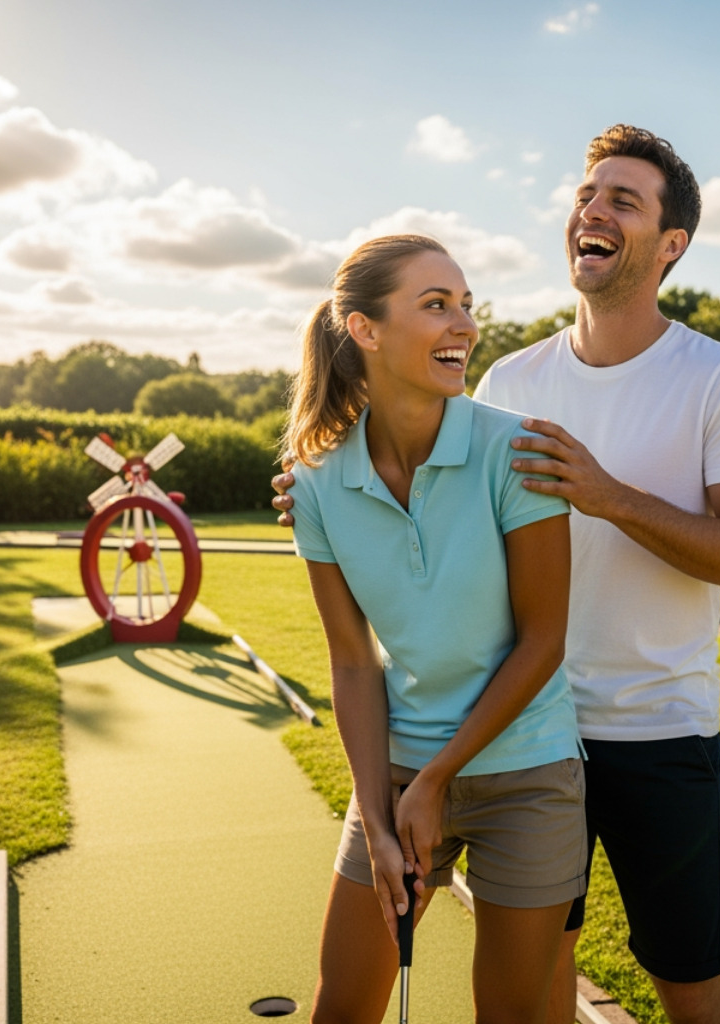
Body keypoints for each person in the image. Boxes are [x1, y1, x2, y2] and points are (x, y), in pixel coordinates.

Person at [275, 127, 720, 1024]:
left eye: (622, 201)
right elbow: (417, 450)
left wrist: (609, 496)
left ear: (672, 245)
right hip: (516, 728)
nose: (591, 211)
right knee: (547, 983)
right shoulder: (508, 379)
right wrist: (321, 482)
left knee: (687, 981)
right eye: (588, 194)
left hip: (653, 730)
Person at [283, 233, 587, 1024]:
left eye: (466, 305)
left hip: (527, 770)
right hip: (396, 773)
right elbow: (353, 664)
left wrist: (438, 778)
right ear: (366, 330)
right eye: (436, 305)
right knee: (341, 1007)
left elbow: (542, 641)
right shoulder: (316, 481)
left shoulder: (517, 449)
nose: (463, 325)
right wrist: (379, 818)